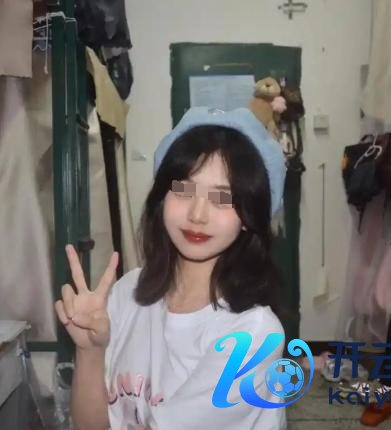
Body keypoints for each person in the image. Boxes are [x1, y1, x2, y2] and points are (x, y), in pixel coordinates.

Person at [55, 107, 289, 430]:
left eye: (223, 198)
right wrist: (89, 351)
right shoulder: (128, 292)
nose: (197, 215)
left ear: (249, 217)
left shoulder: (254, 334)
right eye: (183, 190)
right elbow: (90, 426)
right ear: (162, 198)